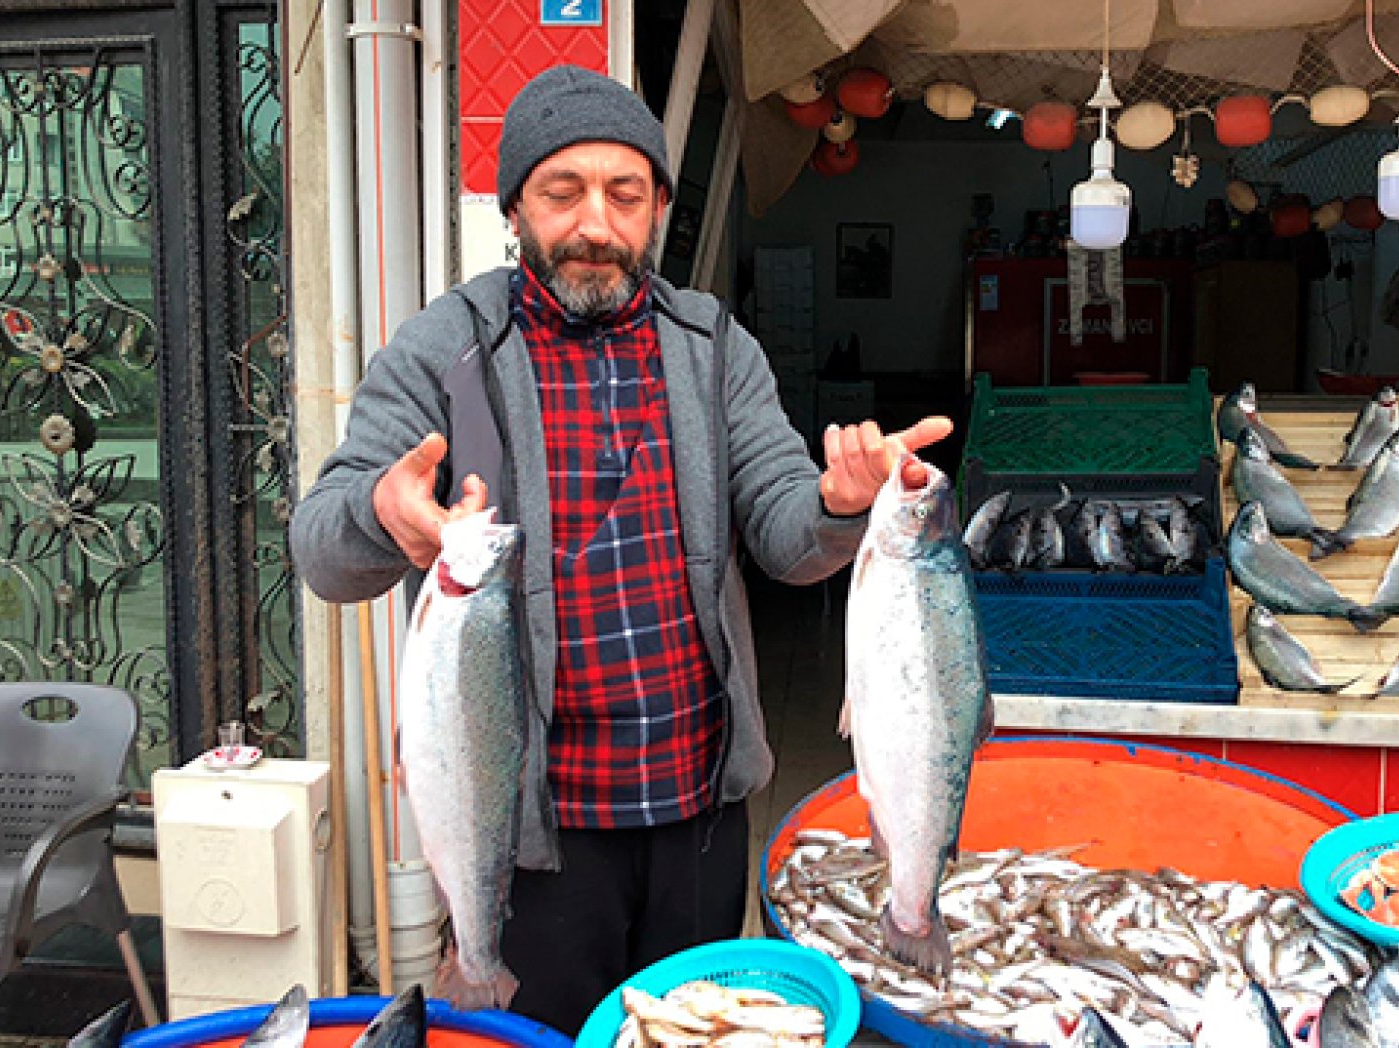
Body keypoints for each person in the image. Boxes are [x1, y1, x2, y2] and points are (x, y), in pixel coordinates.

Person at [288, 65, 950, 1031]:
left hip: (696, 804)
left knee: (684, 1032)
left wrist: (838, 507)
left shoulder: (714, 347)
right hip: (525, 827)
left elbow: (781, 532)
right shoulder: (444, 351)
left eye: (624, 194)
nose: (594, 221)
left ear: (657, 213)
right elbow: (321, 550)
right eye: (563, 192)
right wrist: (380, 516)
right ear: (516, 207)